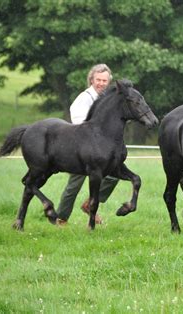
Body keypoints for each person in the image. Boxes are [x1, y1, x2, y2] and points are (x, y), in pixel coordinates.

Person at [56, 64, 119, 225]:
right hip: (81, 149)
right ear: (92, 79)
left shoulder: (106, 99)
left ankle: (89, 204)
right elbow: (77, 119)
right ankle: (61, 218)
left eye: (104, 80)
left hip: (99, 150)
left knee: (113, 175)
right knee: (74, 185)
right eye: (98, 79)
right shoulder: (85, 98)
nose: (101, 83)